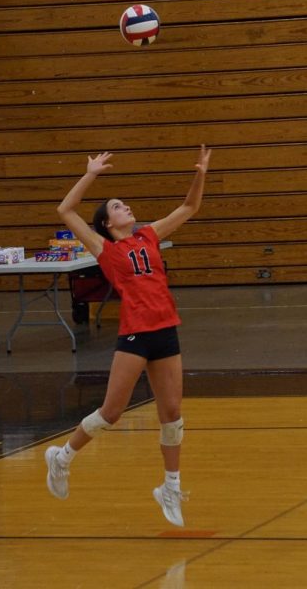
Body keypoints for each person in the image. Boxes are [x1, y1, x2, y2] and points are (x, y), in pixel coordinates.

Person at [44, 145, 212, 527]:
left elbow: (189, 208)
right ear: (106, 222)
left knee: (172, 416)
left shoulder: (149, 235)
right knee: (112, 413)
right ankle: (63, 457)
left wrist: (199, 173)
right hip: (136, 334)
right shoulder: (104, 247)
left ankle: (170, 486)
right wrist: (90, 174)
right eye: (119, 206)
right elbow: (65, 211)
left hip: (166, 329)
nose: (127, 208)